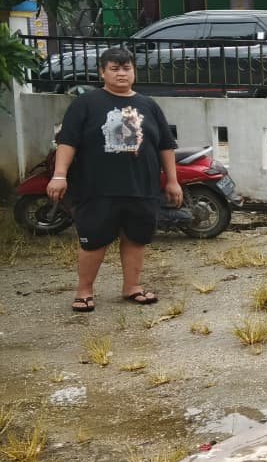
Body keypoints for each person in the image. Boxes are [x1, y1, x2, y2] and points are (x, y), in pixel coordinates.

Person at [46, 47, 183, 312]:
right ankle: (84, 291)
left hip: (141, 187)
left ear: (134, 72)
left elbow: (166, 146)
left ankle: (132, 286)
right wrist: (59, 175)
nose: (121, 73)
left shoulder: (149, 105)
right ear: (102, 72)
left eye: (126, 68)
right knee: (94, 241)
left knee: (136, 238)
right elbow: (68, 142)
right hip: (98, 188)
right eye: (114, 68)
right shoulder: (86, 103)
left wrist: (172, 181)